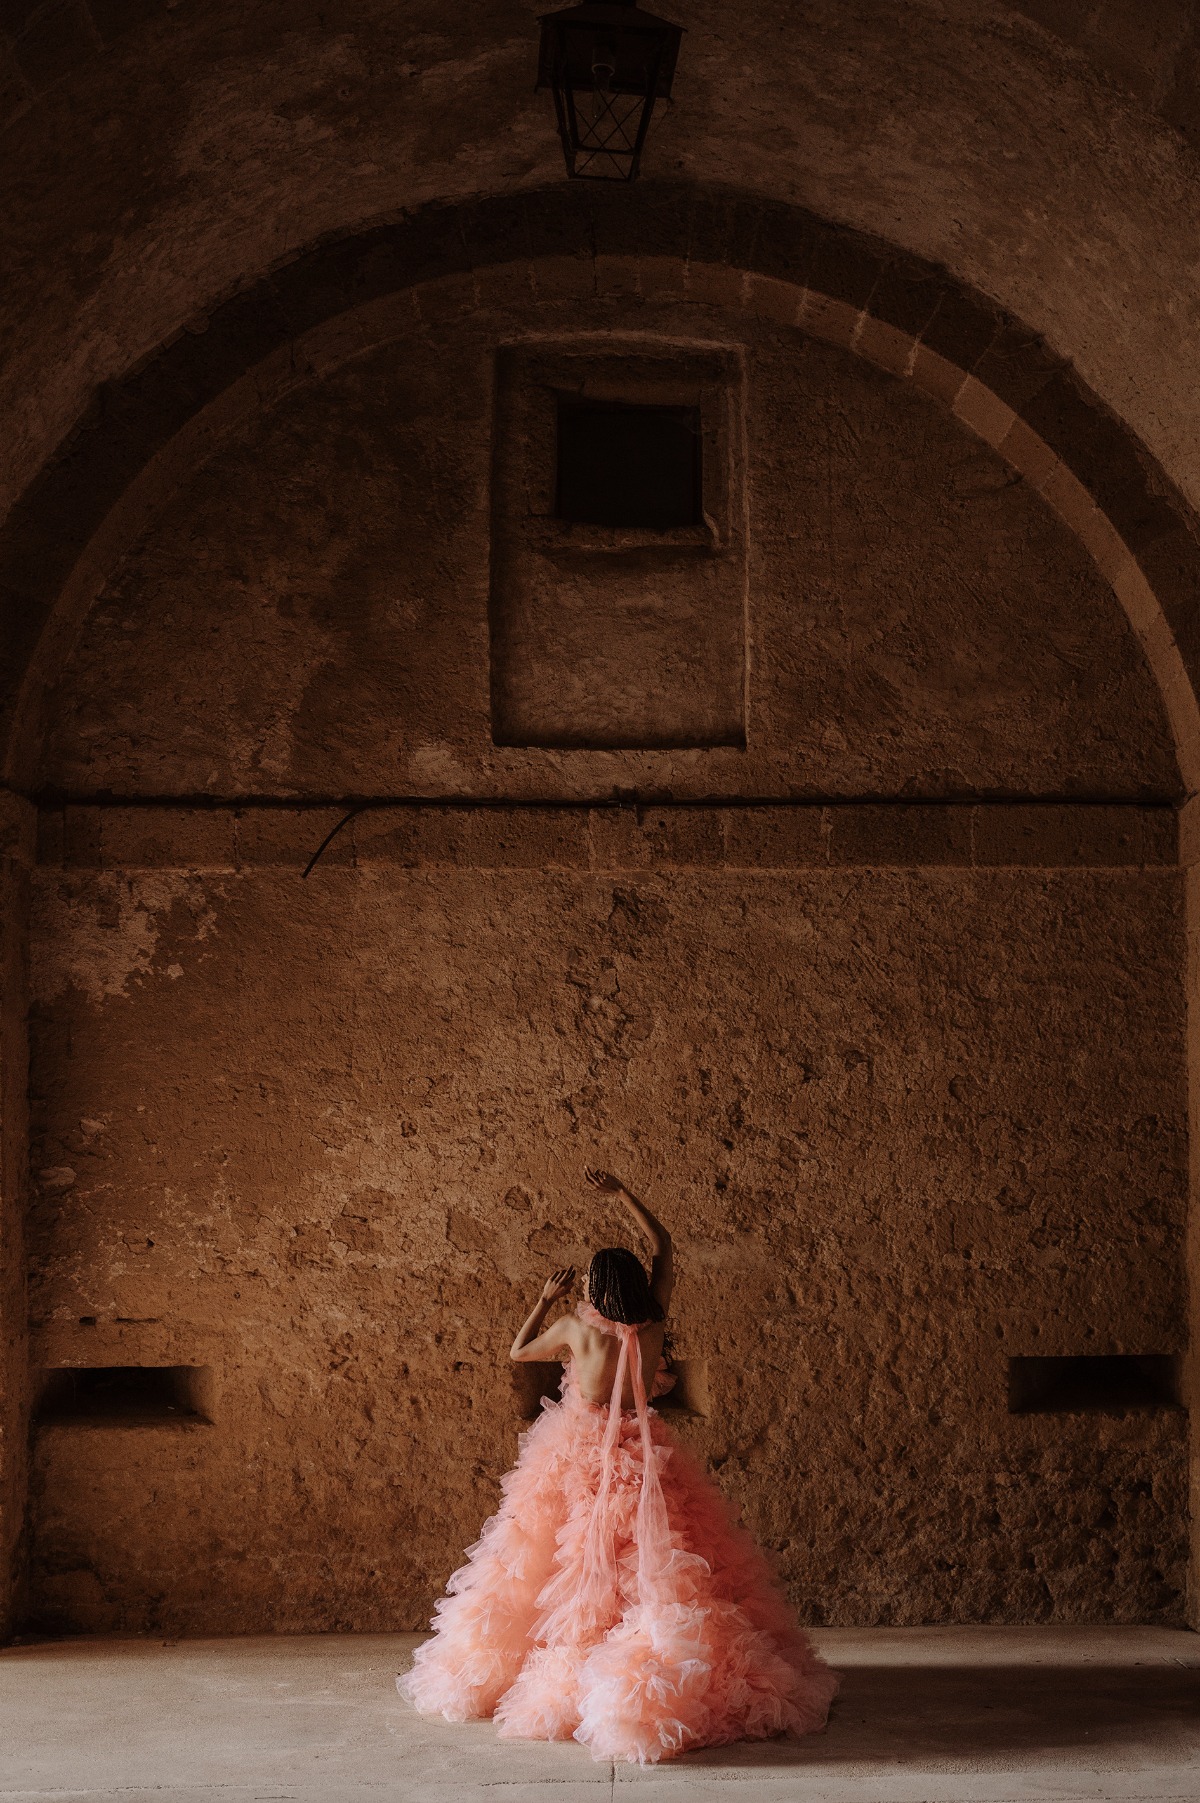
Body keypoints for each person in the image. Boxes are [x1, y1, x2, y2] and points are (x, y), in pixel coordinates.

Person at [398, 1169, 838, 1765]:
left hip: (577, 1446)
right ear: (633, 1283)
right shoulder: (653, 1318)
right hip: (641, 1447)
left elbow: (517, 1352)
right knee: (653, 1555)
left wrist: (544, 1300)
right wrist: (624, 1195)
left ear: (591, 1288)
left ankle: (568, 1658)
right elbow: (664, 1246)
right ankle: (649, 1643)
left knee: (561, 1552)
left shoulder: (576, 1327)